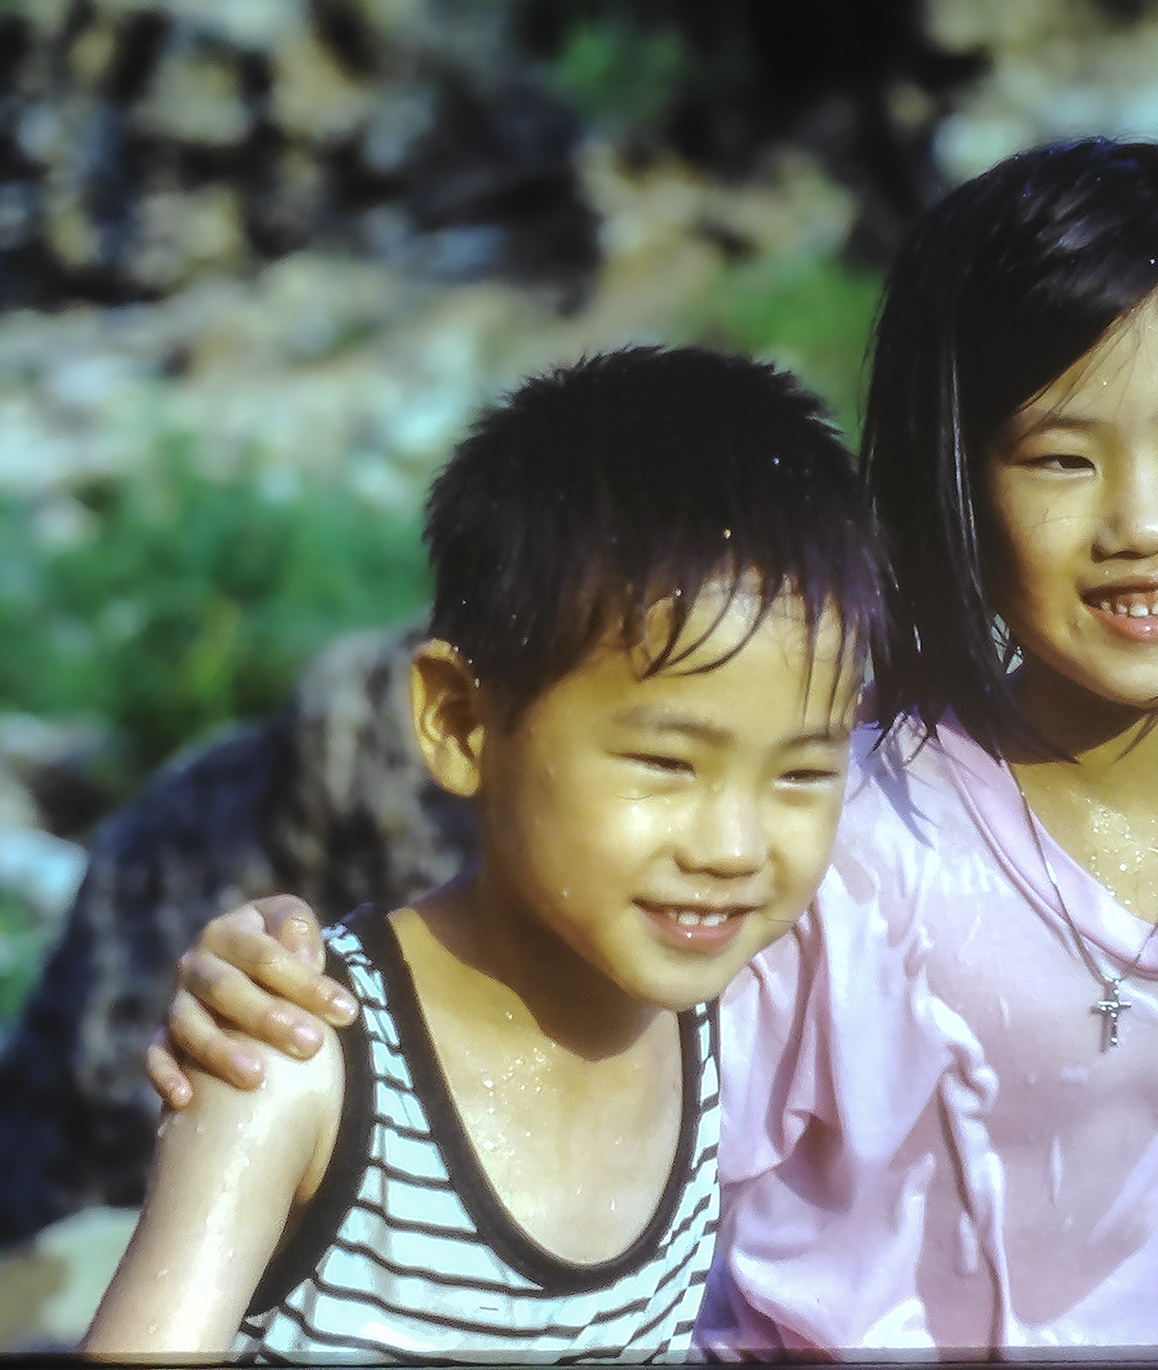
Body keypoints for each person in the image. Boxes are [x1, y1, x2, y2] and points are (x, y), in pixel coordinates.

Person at [148, 140, 1158, 1355]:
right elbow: (542, 1042)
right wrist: (280, 984)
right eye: (1061, 459)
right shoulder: (826, 837)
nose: (1145, 519)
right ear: (948, 481)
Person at [86, 345, 888, 1360]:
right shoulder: (299, 1060)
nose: (734, 848)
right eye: (666, 763)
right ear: (461, 724)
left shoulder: (737, 1020)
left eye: (803, 773)